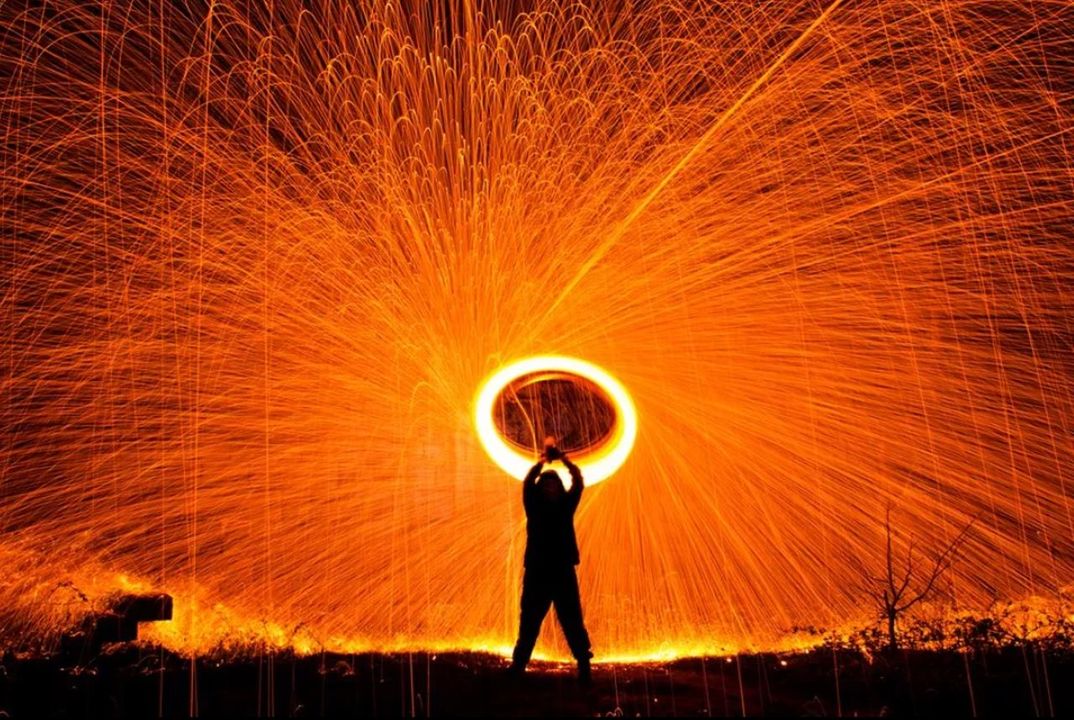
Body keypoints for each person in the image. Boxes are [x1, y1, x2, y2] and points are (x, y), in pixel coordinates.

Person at [507, 437, 593, 685]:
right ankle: (519, 665)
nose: (550, 488)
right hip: (537, 571)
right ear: (540, 489)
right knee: (530, 620)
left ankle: (584, 665)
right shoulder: (533, 506)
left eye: (554, 485)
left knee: (572, 619)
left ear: (560, 489)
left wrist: (565, 460)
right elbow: (526, 484)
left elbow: (578, 483)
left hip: (562, 570)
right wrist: (542, 463)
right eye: (546, 485)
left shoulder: (567, 506)